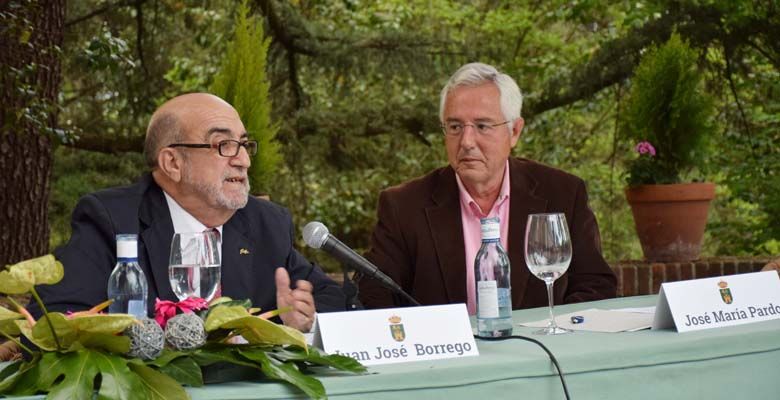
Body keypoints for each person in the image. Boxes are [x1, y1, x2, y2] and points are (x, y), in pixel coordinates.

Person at [29, 93, 344, 332]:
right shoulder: (111, 220)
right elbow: (54, 320)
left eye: (244, 145)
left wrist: (306, 318)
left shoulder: (267, 223)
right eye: (223, 145)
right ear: (172, 163)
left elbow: (334, 297)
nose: (243, 160)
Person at [358, 63, 617, 313]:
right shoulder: (404, 206)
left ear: (514, 131)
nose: (467, 141)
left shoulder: (562, 194)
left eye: (482, 126)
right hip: (447, 356)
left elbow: (595, 284)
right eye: (455, 127)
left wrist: (557, 335)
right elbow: (375, 292)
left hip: (540, 351)